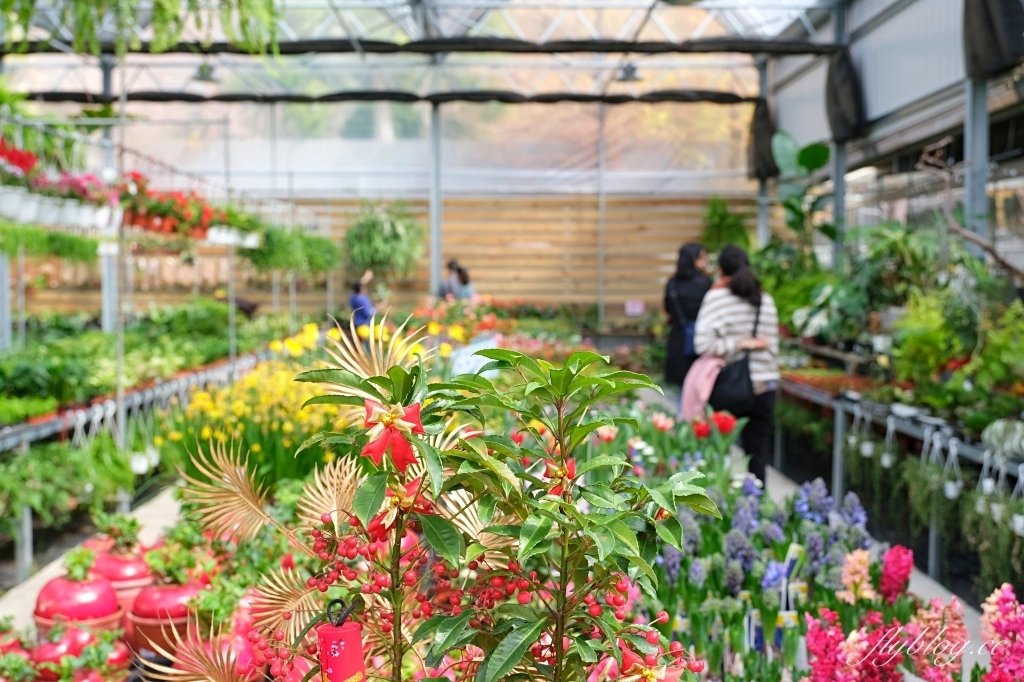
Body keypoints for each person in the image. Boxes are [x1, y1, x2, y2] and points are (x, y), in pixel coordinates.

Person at [693, 245, 779, 481]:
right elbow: (772, 344)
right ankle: (758, 507)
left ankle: (718, 507)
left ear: (720, 270)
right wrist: (747, 343)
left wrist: (736, 345)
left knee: (718, 454)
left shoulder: (716, 297)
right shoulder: (765, 299)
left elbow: (702, 344)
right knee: (758, 454)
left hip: (730, 386)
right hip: (765, 386)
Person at [663, 243, 712, 388]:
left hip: (679, 340)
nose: (706, 261)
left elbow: (667, 309)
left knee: (680, 388)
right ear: (693, 259)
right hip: (702, 341)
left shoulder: (672, 284)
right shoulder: (706, 284)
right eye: (702, 257)